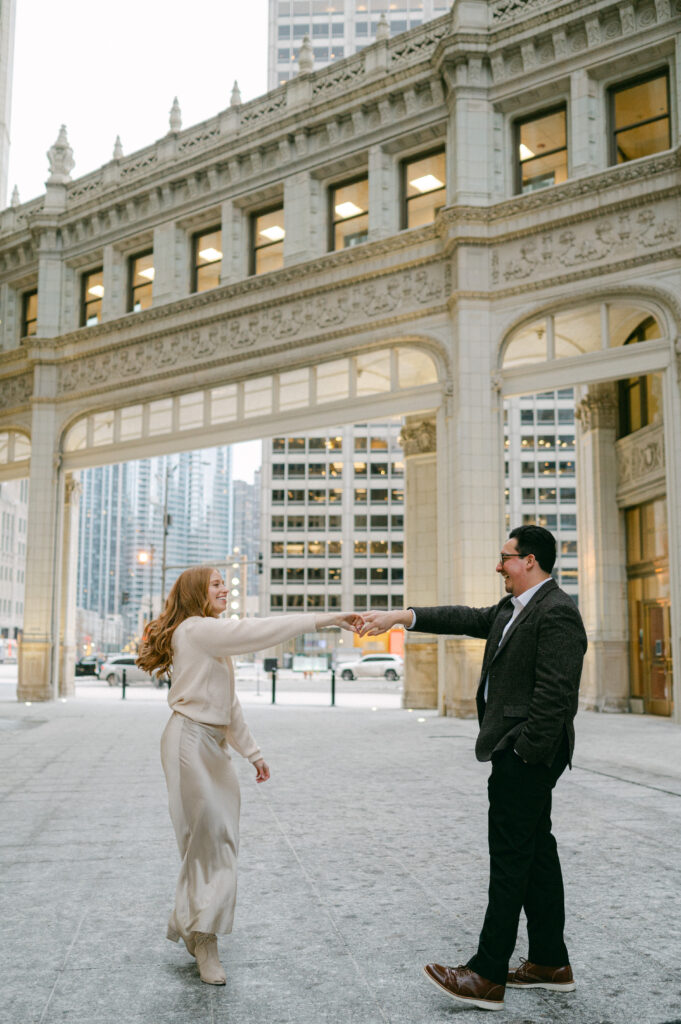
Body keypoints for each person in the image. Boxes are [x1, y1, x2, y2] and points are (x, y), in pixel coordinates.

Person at [360, 525, 587, 1012]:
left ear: (528, 560)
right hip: (514, 752)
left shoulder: (558, 612)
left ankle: (486, 975)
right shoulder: (512, 608)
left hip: (526, 757)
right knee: (535, 854)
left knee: (509, 860)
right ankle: (550, 962)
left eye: (504, 557)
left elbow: (556, 695)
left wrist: (524, 753)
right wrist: (400, 617)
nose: (498, 565)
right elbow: (463, 617)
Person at [137, 565, 361, 985]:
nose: (224, 588)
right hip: (188, 741)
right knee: (208, 842)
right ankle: (204, 938)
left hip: (212, 744)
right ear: (195, 594)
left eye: (225, 582)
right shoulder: (197, 630)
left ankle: (191, 922)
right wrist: (327, 618)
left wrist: (252, 753)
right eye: (216, 583)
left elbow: (230, 704)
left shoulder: (209, 636)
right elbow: (259, 631)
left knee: (215, 841)